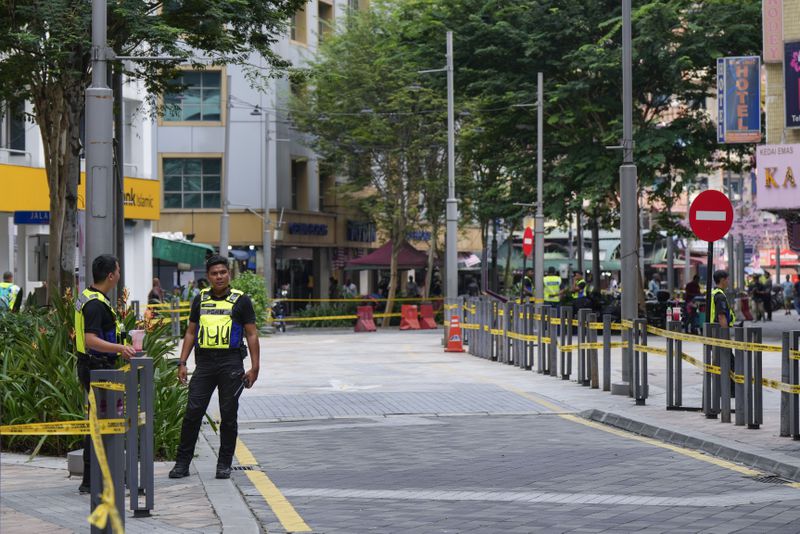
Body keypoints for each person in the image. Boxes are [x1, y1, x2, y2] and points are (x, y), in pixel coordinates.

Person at [169, 255, 261, 480]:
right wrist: (182, 362)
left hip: (231, 363)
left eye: (222, 272)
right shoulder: (199, 299)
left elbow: (251, 334)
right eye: (214, 273)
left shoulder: (241, 300)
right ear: (208, 276)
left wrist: (255, 368)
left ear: (228, 274)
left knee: (228, 415)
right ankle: (182, 464)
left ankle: (224, 464)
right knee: (193, 413)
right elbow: (190, 332)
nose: (219, 276)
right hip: (205, 364)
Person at [75, 254, 136, 493]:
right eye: (118, 271)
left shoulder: (91, 296)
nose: (119, 275)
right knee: (103, 424)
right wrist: (121, 348)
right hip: (98, 368)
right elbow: (91, 339)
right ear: (111, 275)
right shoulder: (95, 304)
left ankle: (93, 479)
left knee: (98, 423)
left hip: (93, 366)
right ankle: (94, 480)